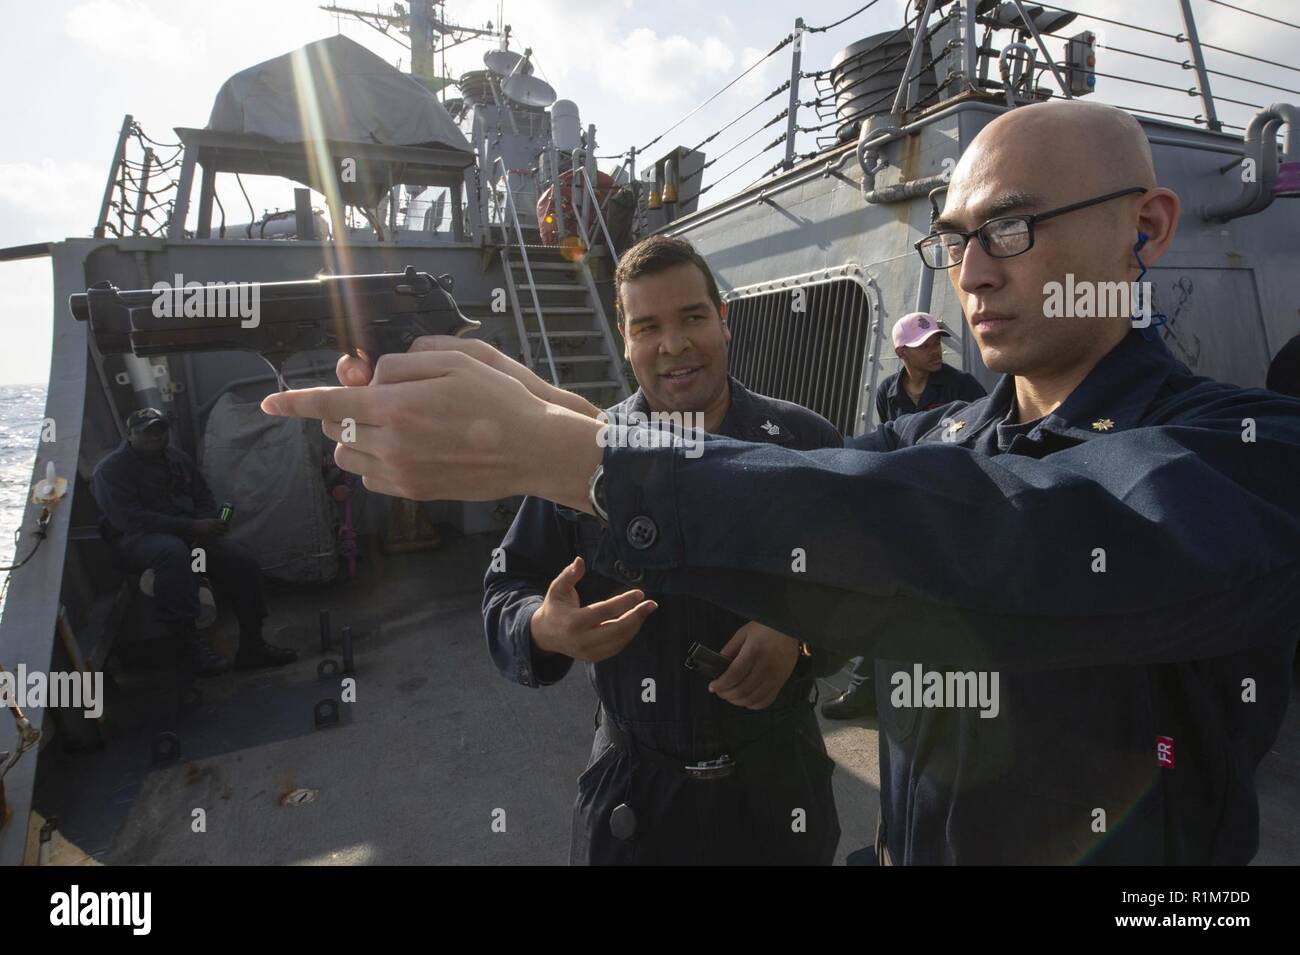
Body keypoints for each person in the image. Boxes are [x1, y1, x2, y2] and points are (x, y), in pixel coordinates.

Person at [263, 100, 1300, 864]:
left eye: (1012, 230)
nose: (971, 271)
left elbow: (1014, 533)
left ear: (1147, 227)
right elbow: (843, 505)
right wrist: (562, 420)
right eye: (953, 236)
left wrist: (567, 452)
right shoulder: (943, 435)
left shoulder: (1250, 453)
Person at [482, 235, 843, 864]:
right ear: (625, 338)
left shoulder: (804, 443)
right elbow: (505, 586)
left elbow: (870, 578)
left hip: (778, 788)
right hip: (636, 802)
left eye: (693, 318)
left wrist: (799, 632)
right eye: (647, 326)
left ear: (723, 320)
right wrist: (543, 626)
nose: (673, 345)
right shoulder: (584, 453)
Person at [824, 313, 988, 721]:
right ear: (902, 353)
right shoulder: (888, 392)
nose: (936, 351)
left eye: (937, 342)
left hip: (950, 504)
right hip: (907, 504)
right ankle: (868, 690)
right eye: (926, 345)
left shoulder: (962, 387)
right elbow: (891, 443)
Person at [91, 408, 297, 676]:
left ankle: (253, 646)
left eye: (160, 430)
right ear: (129, 434)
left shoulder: (177, 459)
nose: (155, 436)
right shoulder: (110, 471)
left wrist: (208, 523)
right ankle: (189, 650)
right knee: (172, 554)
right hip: (135, 540)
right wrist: (190, 526)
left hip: (187, 533)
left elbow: (202, 496)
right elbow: (128, 519)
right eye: (147, 432)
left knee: (240, 560)